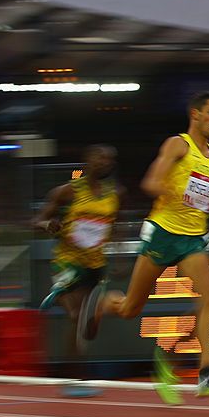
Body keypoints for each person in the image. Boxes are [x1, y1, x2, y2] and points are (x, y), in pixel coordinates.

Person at [86, 91, 209, 403]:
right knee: (130, 309)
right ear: (195, 114)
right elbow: (150, 183)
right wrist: (171, 191)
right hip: (163, 233)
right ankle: (103, 304)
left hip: (193, 239)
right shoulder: (178, 144)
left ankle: (206, 373)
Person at [34, 145, 123, 398]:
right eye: (99, 157)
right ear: (87, 160)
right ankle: (75, 378)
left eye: (109, 159)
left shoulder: (116, 194)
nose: (104, 162)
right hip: (68, 262)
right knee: (76, 318)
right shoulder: (67, 191)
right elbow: (36, 220)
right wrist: (47, 224)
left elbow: (115, 225)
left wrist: (115, 254)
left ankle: (77, 372)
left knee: (88, 328)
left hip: (95, 266)